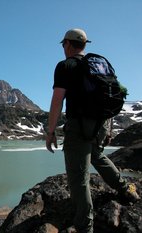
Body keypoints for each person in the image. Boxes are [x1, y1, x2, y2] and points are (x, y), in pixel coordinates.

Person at [46, 28, 140, 233]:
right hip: (102, 123)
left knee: (78, 176)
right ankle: (126, 190)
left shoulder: (65, 66)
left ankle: (84, 225)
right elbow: (111, 96)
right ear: (85, 45)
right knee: (97, 155)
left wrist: (50, 131)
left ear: (68, 44)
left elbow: (57, 102)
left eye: (64, 44)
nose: (63, 48)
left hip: (79, 125)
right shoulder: (100, 65)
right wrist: (109, 129)